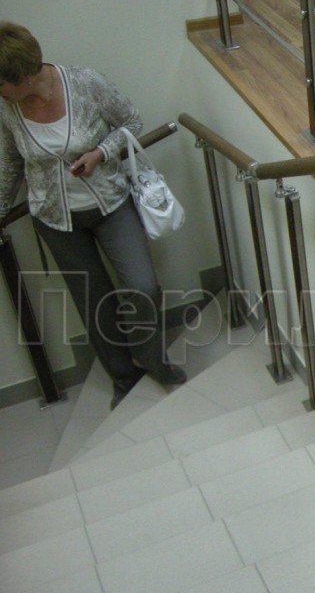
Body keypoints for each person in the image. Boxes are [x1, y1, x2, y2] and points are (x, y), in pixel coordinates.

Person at [0, 22, 185, 410]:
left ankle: (153, 360)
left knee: (142, 287)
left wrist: (100, 153)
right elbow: (11, 163)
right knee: (92, 300)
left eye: (1, 83)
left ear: (22, 76)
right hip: (55, 220)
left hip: (111, 205)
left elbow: (131, 121)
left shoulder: (85, 83)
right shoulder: (7, 108)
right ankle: (123, 376)